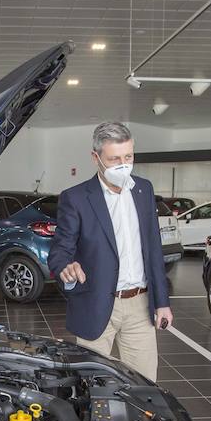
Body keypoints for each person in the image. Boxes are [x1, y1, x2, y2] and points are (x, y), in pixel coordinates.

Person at [47, 120, 172, 381]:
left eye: (128, 156)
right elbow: (60, 251)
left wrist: (162, 302)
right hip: (96, 303)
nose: (123, 164)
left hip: (140, 305)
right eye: (114, 159)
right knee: (93, 386)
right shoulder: (76, 197)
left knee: (144, 385)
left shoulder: (144, 190)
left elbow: (153, 248)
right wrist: (65, 268)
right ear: (96, 158)